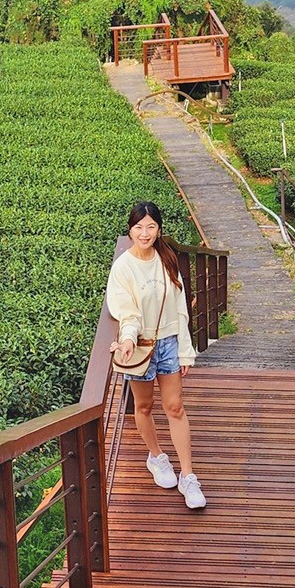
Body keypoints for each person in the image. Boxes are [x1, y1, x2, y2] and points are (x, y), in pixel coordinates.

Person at [106, 202, 206, 510]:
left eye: (150, 227)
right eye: (138, 227)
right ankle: (156, 456)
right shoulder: (123, 267)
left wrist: (186, 350)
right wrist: (126, 339)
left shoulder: (167, 258)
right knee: (145, 405)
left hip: (169, 343)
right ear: (130, 229)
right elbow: (127, 312)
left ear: (159, 229)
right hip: (140, 346)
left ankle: (188, 476)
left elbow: (179, 309)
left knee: (175, 406)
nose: (144, 233)